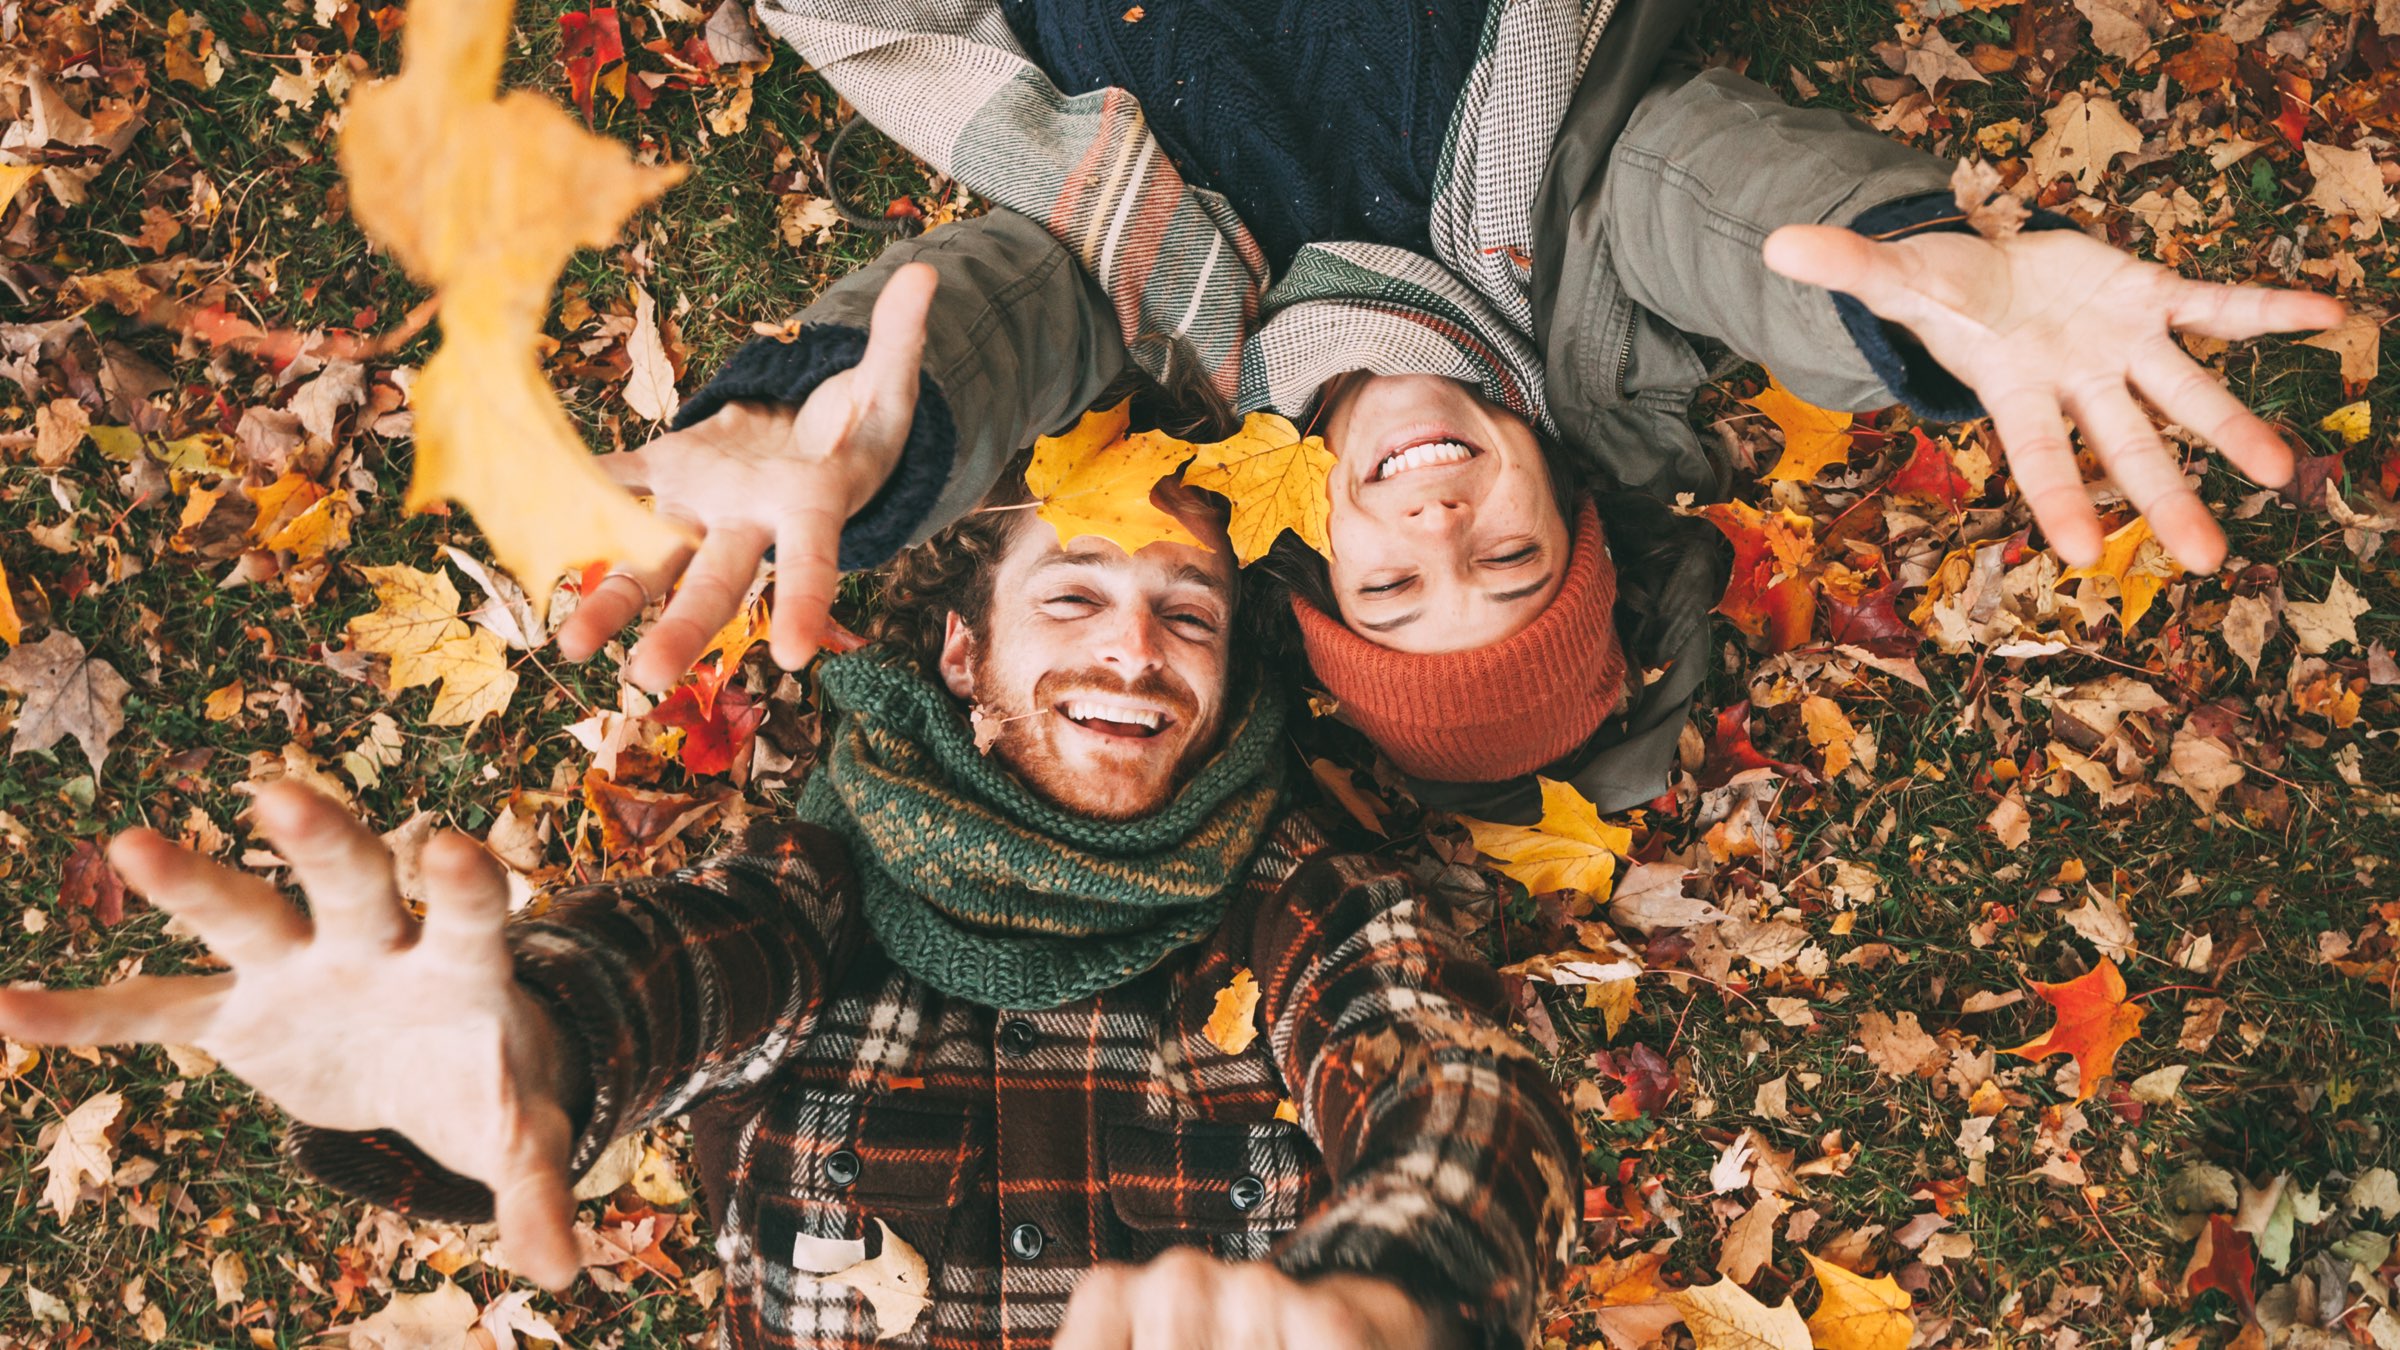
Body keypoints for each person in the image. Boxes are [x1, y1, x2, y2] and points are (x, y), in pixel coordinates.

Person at [0, 362, 1579, 1348]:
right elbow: (682, 970)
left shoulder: (1289, 890)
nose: (1134, 651)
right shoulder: (835, 890)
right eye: (1076, 596)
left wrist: (1394, 1300)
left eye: (1187, 615)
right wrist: (529, 1051)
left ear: (1231, 681)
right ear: (962, 657)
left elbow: (1447, 1066)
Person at [556, 0, 2344, 825]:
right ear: (1570, 485)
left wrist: (848, 440)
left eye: (1397, 590)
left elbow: (1003, 317)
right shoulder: (1576, 261)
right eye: (1511, 555)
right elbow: (1724, 214)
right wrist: (1930, 287)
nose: (1431, 525)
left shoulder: (1175, 340)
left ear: (1308, 561)